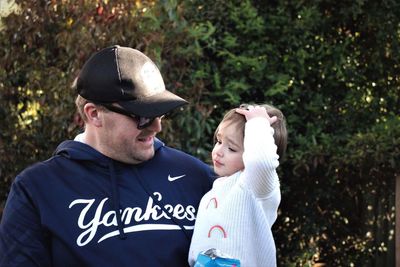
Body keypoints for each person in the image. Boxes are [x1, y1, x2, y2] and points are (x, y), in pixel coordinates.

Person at [0, 45, 215, 267]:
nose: (157, 127)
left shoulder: (194, 175)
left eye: (160, 113)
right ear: (94, 114)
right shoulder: (38, 189)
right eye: (143, 117)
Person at [188, 103, 288, 267]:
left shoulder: (256, 186)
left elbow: (261, 162)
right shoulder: (215, 190)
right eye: (219, 141)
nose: (218, 151)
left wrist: (258, 124)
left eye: (232, 149)